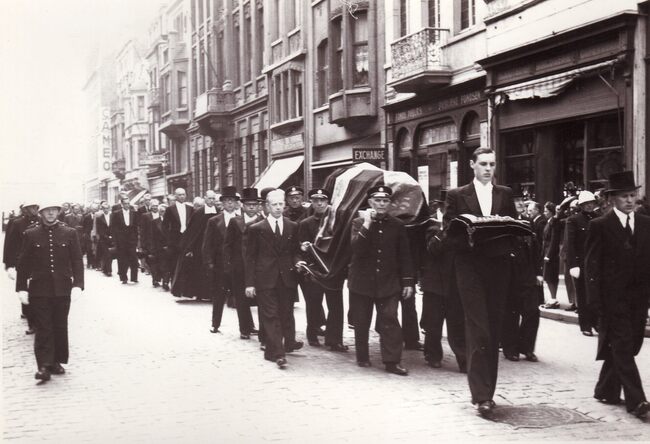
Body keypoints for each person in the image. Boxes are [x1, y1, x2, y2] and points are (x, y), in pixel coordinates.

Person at [443, 147, 518, 416]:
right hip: (470, 269)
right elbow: (449, 232)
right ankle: (481, 396)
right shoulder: (457, 195)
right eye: (483, 164)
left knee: (494, 329)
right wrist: (471, 234)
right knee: (478, 329)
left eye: (492, 164)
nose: (488, 169)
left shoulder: (504, 194)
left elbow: (514, 230)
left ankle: (489, 392)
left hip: (498, 268)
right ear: (472, 165)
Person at [585, 171, 650, 418]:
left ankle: (605, 389)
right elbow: (592, 266)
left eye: (632, 195)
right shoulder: (600, 225)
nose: (630, 201)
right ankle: (637, 401)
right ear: (612, 199)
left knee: (631, 345)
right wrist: (594, 303)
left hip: (638, 299)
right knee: (622, 346)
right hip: (612, 300)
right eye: (624, 196)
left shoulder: (645, 223)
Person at [348, 185, 415, 376]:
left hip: (388, 282)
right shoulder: (358, 223)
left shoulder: (397, 225)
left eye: (385, 201)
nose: (381, 204)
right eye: (377, 200)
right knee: (362, 321)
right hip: (362, 282)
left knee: (390, 319)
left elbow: (404, 255)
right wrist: (367, 224)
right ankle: (362, 356)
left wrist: (408, 281)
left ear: (390, 203)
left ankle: (392, 361)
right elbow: (356, 249)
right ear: (370, 202)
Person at [16, 201, 84, 381]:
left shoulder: (70, 233)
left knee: (59, 325)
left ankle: (56, 361)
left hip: (63, 288)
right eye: (47, 211)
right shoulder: (31, 234)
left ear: (59, 212)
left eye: (54, 210)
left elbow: (77, 260)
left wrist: (78, 284)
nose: (51, 213)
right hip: (39, 289)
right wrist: (21, 288)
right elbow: (23, 262)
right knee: (43, 326)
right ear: (41, 213)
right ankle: (44, 366)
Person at [245, 189, 303, 369]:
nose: (278, 207)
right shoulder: (256, 229)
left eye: (281, 204)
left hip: (286, 278)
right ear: (267, 206)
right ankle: (279, 354)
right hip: (265, 279)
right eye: (274, 204)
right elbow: (250, 257)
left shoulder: (292, 226)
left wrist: (298, 262)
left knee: (285, 315)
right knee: (270, 316)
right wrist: (249, 283)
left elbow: (295, 251)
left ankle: (271, 351)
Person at [421, 190, 466, 372]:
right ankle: (432, 355)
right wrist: (445, 230)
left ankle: (463, 359)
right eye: (447, 207)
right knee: (433, 323)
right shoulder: (431, 225)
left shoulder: (459, 226)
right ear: (440, 207)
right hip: (434, 283)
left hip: (454, 283)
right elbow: (433, 248)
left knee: (457, 323)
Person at [296, 188, 347, 351]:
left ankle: (334, 340)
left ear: (328, 202)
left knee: (336, 306)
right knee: (314, 304)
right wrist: (303, 251)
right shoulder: (305, 223)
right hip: (315, 270)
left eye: (323, 200)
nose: (319, 204)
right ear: (311, 202)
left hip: (333, 270)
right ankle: (312, 334)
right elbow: (299, 247)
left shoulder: (337, 222)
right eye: (316, 200)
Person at [223, 187, 264, 339]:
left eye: (254, 204)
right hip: (239, 266)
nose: (251, 207)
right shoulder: (235, 221)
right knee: (241, 299)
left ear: (259, 206)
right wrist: (229, 265)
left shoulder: (263, 221)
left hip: (258, 267)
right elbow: (227, 245)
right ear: (242, 206)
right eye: (248, 205)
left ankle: (264, 330)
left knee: (262, 299)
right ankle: (245, 329)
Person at [172, 190, 218, 301]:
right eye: (209, 198)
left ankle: (211, 294)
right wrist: (190, 248)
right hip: (199, 245)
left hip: (213, 245)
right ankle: (200, 293)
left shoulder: (218, 212)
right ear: (205, 198)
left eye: (213, 198)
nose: (211, 201)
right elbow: (192, 231)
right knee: (199, 270)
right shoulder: (199, 213)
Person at [3, 202, 40, 334]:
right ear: (25, 209)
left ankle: (39, 321)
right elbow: (10, 244)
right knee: (26, 291)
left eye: (36, 207)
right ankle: (32, 323)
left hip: (40, 262)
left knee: (39, 292)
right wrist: (9, 264)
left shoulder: (42, 221)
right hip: (23, 262)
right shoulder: (17, 223)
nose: (34, 210)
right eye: (31, 207)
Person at [565, 191, 599, 336]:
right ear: (581, 205)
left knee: (596, 294)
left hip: (596, 263)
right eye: (586, 204)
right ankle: (585, 325)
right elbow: (570, 244)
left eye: (591, 203)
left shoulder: (599, 218)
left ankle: (596, 322)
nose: (589, 206)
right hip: (582, 262)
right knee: (583, 294)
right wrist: (573, 264)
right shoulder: (573, 220)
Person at [162, 188, 194, 279]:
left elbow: (193, 225)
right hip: (174, 241)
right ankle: (174, 282)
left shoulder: (190, 208)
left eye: (183, 194)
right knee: (174, 263)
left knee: (186, 263)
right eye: (180, 195)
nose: (182, 196)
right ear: (175, 196)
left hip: (187, 239)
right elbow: (164, 226)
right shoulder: (170, 209)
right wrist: (169, 240)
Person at [141, 199, 170, 289]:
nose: (163, 213)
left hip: (168, 247)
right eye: (161, 211)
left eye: (165, 211)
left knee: (166, 265)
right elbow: (151, 236)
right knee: (156, 265)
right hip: (157, 248)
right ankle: (155, 279)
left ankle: (165, 282)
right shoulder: (154, 222)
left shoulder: (171, 222)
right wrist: (149, 248)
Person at [110, 197, 139, 284]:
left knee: (134, 258)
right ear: (122, 204)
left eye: (128, 203)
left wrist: (136, 239)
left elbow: (136, 227)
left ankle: (134, 277)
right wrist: (115, 241)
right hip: (121, 240)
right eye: (125, 203)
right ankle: (123, 277)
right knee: (122, 259)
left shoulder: (134, 213)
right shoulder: (116, 214)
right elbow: (113, 228)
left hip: (131, 240)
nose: (127, 205)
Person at [95, 202, 114, 277]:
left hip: (113, 238)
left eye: (107, 208)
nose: (106, 210)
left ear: (109, 209)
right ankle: (109, 270)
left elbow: (115, 227)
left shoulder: (113, 216)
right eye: (104, 209)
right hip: (104, 238)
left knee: (110, 254)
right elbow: (99, 229)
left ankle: (106, 269)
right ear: (102, 209)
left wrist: (113, 236)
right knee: (106, 254)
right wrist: (106, 236)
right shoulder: (99, 218)